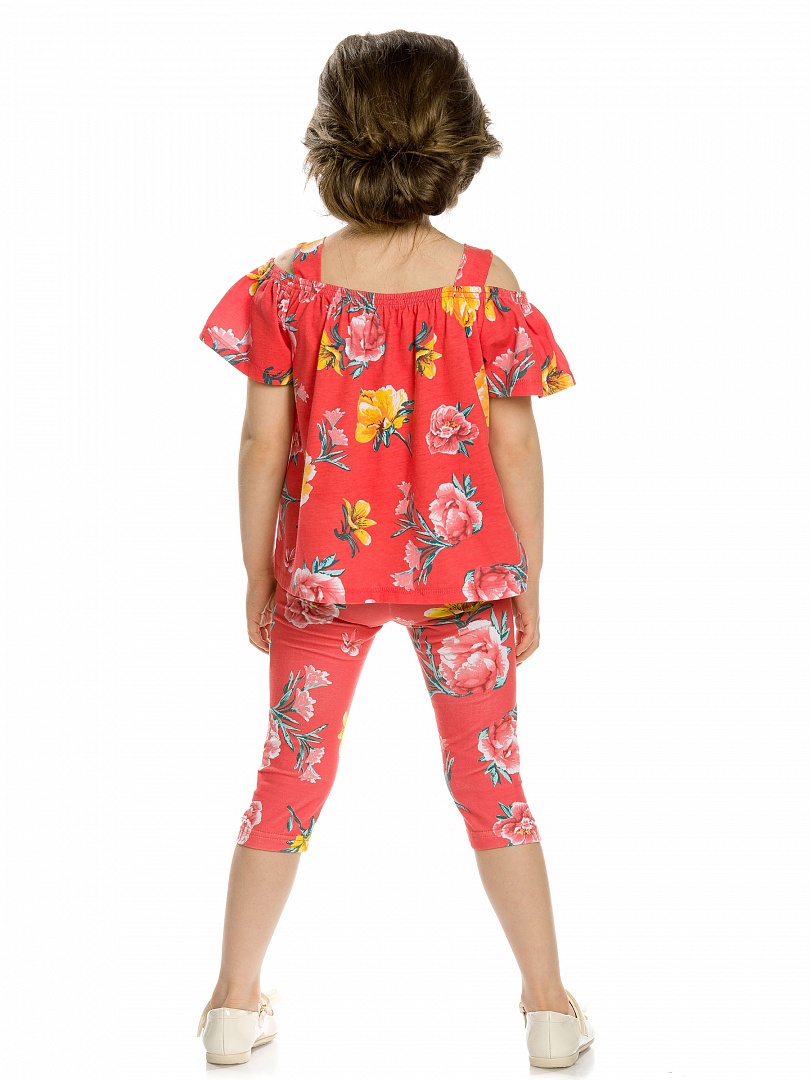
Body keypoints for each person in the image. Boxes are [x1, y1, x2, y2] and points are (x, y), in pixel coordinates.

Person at [194, 29, 594, 1070]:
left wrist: (257, 568)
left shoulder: (287, 286)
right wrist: (528, 575)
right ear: (457, 142)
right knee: (493, 782)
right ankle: (549, 1009)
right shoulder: (486, 285)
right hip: (466, 581)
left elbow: (262, 443)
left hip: (324, 578)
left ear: (331, 139)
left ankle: (233, 1005)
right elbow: (515, 443)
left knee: (288, 776)